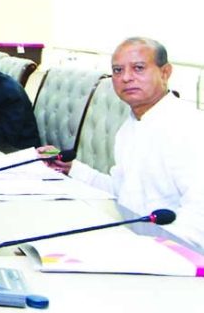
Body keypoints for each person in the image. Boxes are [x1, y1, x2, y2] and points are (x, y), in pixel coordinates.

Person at [47, 37, 204, 250]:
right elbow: (124, 192)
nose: (126, 78)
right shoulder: (129, 127)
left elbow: (197, 223)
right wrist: (71, 169)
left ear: (165, 73)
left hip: (175, 257)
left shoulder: (189, 128)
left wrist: (147, 252)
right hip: (134, 244)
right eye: (118, 70)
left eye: (138, 68)